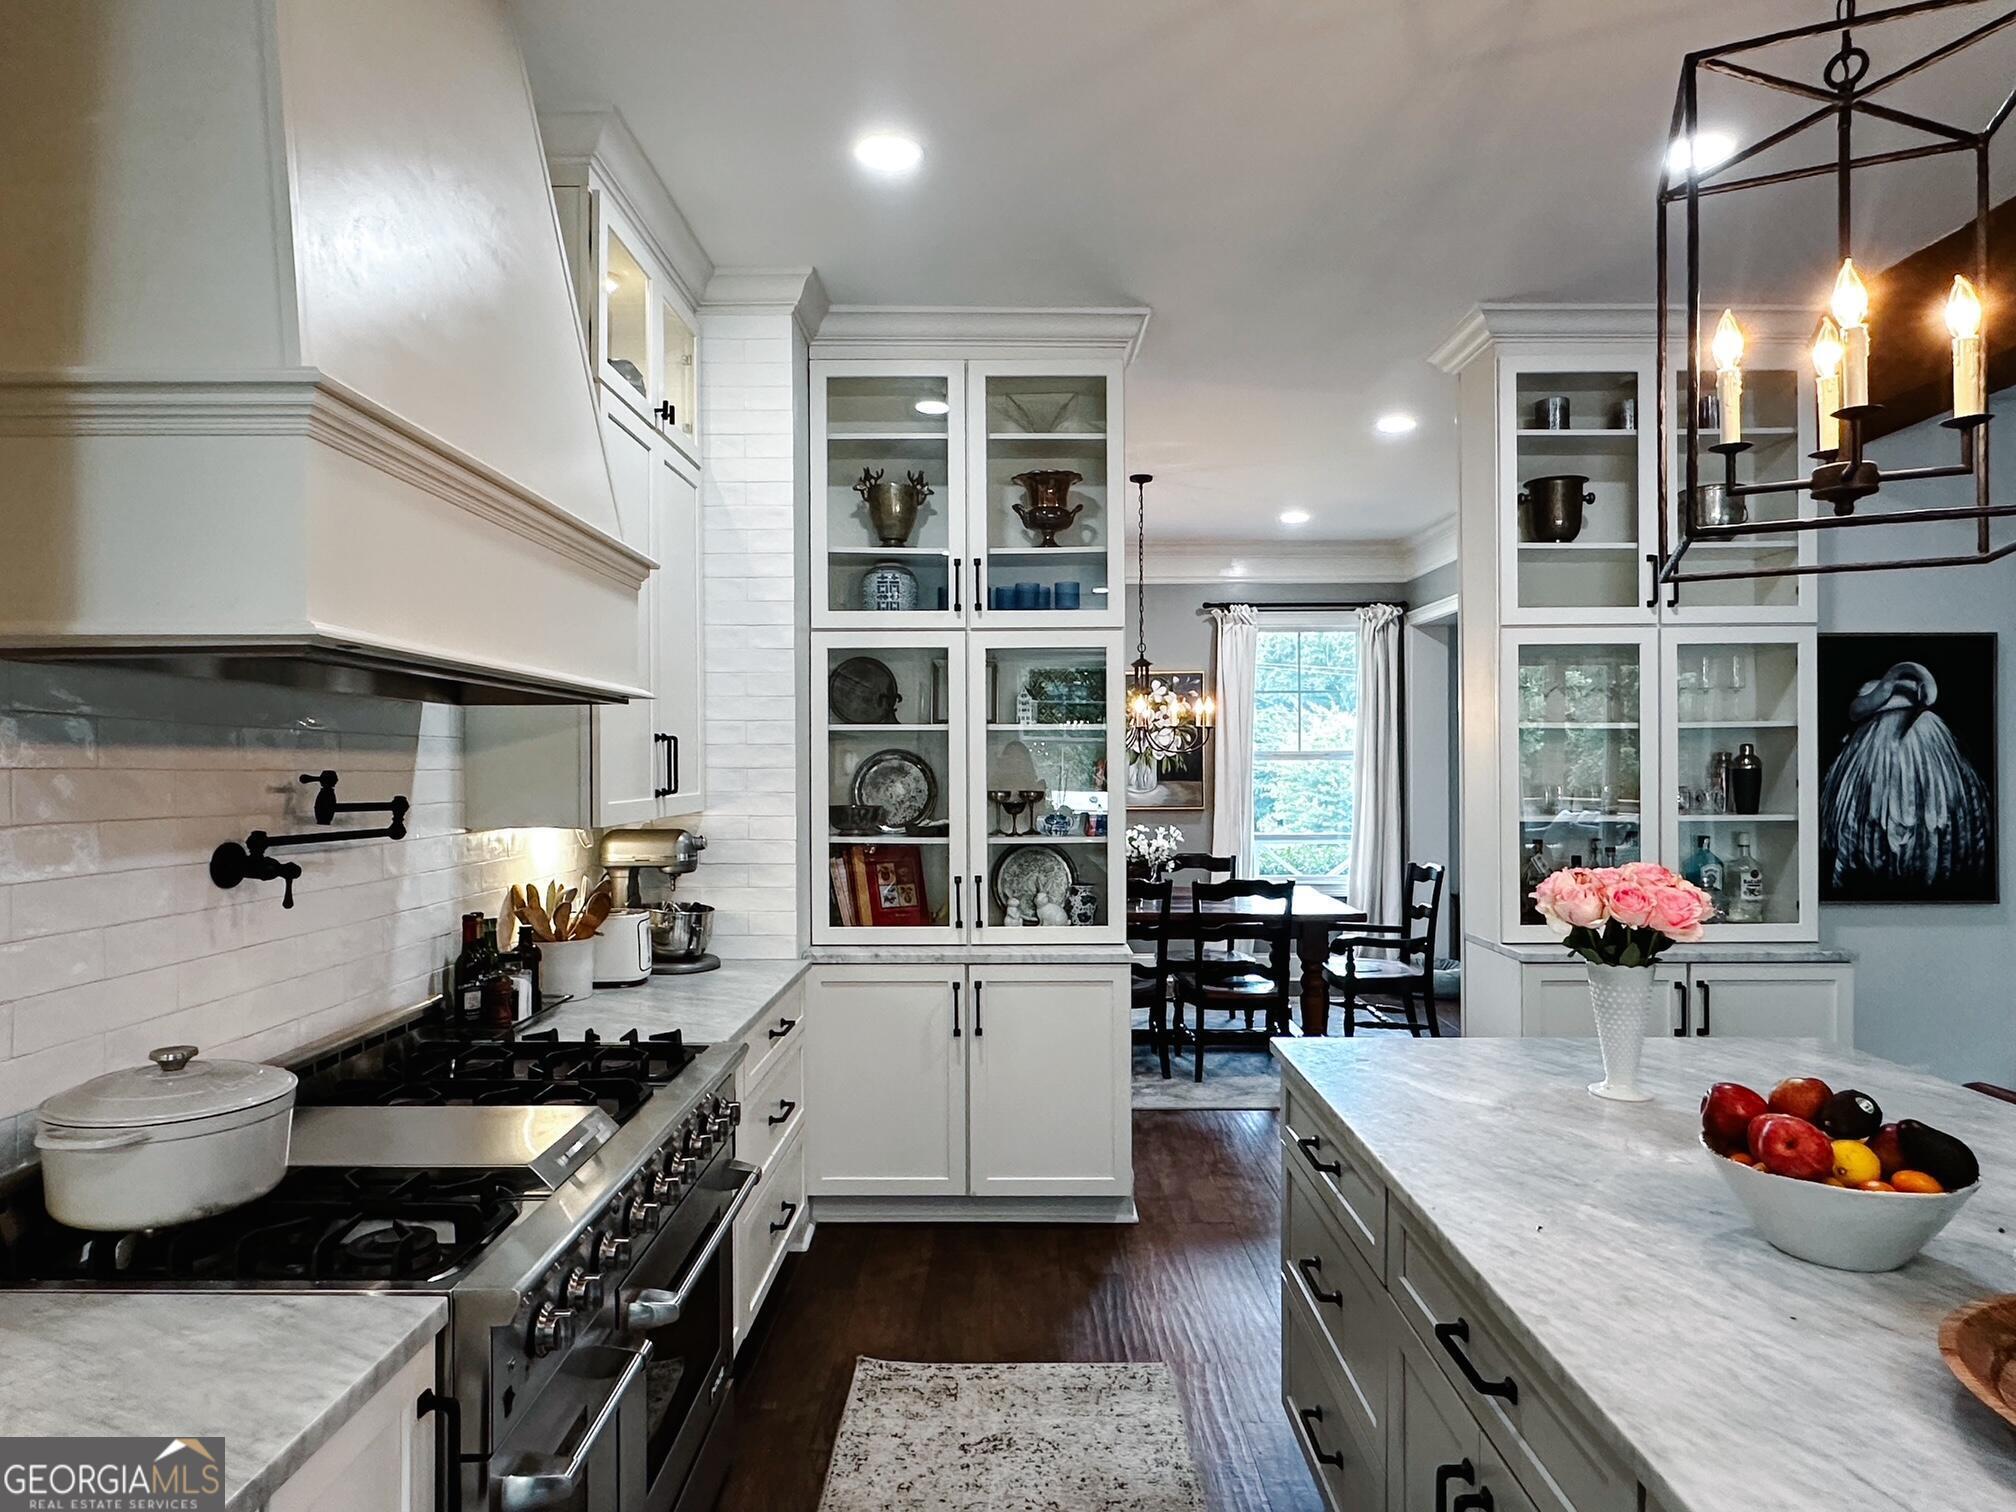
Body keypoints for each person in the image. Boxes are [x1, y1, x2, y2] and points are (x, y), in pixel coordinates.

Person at [1819, 660, 1991, 895]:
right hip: (1878, 748)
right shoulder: (1871, 743)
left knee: (1928, 815)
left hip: (1921, 742)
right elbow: (1858, 710)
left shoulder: (1930, 748)